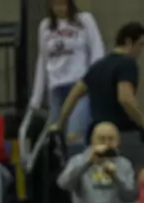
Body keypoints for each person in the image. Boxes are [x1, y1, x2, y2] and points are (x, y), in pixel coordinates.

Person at [56, 21, 144, 161]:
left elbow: (74, 95)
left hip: (97, 133)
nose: (141, 50)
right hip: (122, 133)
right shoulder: (127, 64)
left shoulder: (97, 66)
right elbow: (125, 99)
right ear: (128, 41)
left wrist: (60, 123)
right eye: (140, 44)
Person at [31, 0, 102, 154]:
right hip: (56, 88)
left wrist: (95, 82)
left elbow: (97, 51)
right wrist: (36, 98)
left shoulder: (84, 20)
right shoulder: (45, 25)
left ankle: (80, 174)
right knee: (59, 140)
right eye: (56, 4)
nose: (60, 8)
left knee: (75, 136)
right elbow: (43, 60)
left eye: (63, 4)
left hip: (78, 86)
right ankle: (67, 174)